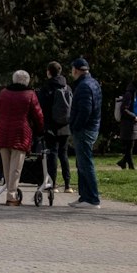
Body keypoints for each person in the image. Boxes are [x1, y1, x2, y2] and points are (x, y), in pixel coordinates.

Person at [0, 70, 45, 205]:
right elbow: (38, 115)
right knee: (16, 167)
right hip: (20, 133)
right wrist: (40, 130)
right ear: (27, 81)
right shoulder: (30, 94)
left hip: (3, 131)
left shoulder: (3, 93)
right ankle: (11, 196)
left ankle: (11, 191)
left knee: (6, 165)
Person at [68, 57, 104, 207]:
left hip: (84, 129)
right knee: (82, 163)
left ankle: (92, 198)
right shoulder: (93, 83)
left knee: (85, 164)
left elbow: (85, 110)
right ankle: (84, 196)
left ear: (76, 70)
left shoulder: (83, 86)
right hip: (92, 127)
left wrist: (75, 126)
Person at [37, 61, 74, 193]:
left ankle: (52, 184)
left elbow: (41, 106)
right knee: (63, 154)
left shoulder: (46, 88)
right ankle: (68, 185)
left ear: (48, 72)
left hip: (51, 125)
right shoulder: (67, 87)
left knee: (52, 153)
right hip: (65, 125)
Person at [114, 77, 137, 171]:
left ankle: (123, 162)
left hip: (133, 123)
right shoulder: (129, 94)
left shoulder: (136, 94)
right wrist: (134, 116)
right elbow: (124, 109)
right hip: (128, 123)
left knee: (130, 146)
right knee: (130, 146)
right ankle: (130, 166)